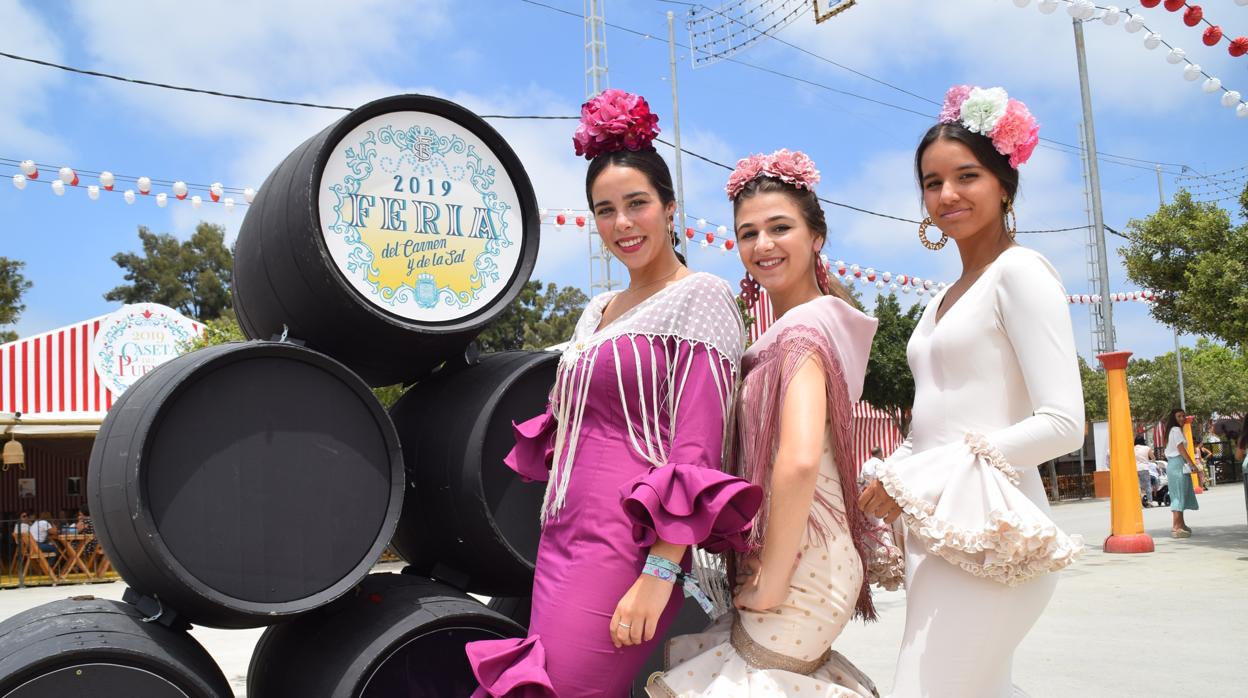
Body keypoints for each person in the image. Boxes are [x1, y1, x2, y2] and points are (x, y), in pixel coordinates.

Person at [466, 89, 762, 698]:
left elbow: (697, 448)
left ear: (670, 208)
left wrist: (660, 570)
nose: (622, 224)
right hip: (561, 535)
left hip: (625, 546)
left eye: (637, 204)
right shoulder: (598, 309)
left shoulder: (700, 296)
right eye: (605, 210)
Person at [647, 150, 901, 697]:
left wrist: (775, 577)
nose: (762, 245)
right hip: (798, 557)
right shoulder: (807, 326)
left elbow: (800, 458)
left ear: (817, 236)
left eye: (780, 227)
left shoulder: (804, 332)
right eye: (748, 233)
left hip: (800, 569)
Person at [858, 85, 1084, 697]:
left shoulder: (1021, 273)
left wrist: (917, 480)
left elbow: (1064, 423)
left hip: (997, 537)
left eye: (967, 176)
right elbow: (933, 423)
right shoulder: (941, 298)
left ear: (1004, 185)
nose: (947, 195)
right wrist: (892, 473)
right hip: (939, 535)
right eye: (932, 183)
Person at [1163, 408, 1199, 537]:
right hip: (1178, 463)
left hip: (1175, 464)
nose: (1182, 418)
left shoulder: (1172, 431)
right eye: (1179, 416)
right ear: (1174, 418)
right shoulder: (1176, 430)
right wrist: (1192, 464)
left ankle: (1181, 524)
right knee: (1178, 494)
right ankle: (1176, 527)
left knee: (1181, 493)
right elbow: (1181, 449)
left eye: (1183, 416)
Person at [1134, 435, 1154, 507]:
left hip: (1135, 469)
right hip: (1144, 468)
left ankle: (1139, 503)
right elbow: (1153, 458)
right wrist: (1151, 461)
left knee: (1138, 486)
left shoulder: (1132, 449)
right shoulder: (1147, 448)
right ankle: (1150, 501)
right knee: (1147, 485)